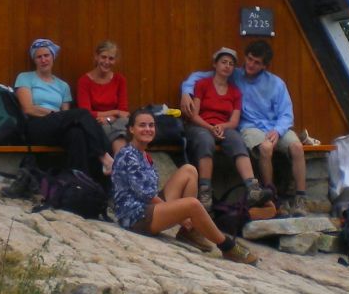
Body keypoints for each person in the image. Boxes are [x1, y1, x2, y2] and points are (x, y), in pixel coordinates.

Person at [111, 106, 259, 265]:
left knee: (189, 170)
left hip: (148, 208)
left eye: (151, 125)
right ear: (131, 129)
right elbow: (148, 196)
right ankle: (227, 246)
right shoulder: (128, 155)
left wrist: (179, 214)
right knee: (192, 205)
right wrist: (182, 218)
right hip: (135, 217)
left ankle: (188, 232)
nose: (148, 129)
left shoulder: (143, 154)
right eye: (142, 125)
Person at [180, 40, 308, 216]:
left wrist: (278, 131)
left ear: (264, 66)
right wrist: (186, 92)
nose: (251, 65)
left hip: (275, 126)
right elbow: (199, 77)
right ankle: (270, 197)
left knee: (297, 147)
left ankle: (301, 198)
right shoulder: (235, 74)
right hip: (250, 126)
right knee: (265, 148)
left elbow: (286, 114)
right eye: (249, 59)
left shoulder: (276, 84)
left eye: (257, 62)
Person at [184, 47, 270, 211]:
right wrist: (210, 127)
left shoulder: (235, 92)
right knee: (205, 141)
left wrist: (221, 127)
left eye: (231, 64)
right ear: (215, 64)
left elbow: (234, 121)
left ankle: (253, 189)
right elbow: (193, 116)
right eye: (223, 62)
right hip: (201, 125)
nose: (227, 66)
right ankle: (205, 192)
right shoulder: (202, 85)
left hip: (223, 127)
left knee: (237, 140)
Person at [14, 38, 113, 177]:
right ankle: (105, 156)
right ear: (34, 60)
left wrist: (59, 116)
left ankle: (80, 181)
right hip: (36, 125)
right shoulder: (25, 77)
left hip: (57, 126)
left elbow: (67, 116)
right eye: (39, 57)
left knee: (76, 134)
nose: (43, 60)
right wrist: (53, 113)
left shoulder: (63, 85)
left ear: (53, 57)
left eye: (46, 55)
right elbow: (28, 109)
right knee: (82, 113)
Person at [76, 40, 130, 154]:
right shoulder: (84, 81)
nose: (107, 62)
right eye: (103, 57)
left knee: (123, 124)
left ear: (115, 60)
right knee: (114, 132)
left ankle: (119, 161)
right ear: (96, 57)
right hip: (95, 122)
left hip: (117, 121)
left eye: (111, 58)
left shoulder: (120, 80)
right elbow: (85, 112)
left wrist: (110, 118)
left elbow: (124, 111)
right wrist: (115, 112)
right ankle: (121, 161)